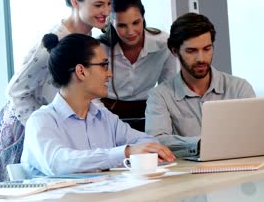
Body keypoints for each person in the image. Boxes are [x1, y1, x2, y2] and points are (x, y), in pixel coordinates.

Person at [0, 0, 112, 184]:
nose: (106, 12)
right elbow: (16, 91)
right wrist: (43, 129)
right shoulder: (54, 41)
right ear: (75, 2)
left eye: (108, 4)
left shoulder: (87, 39)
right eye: (98, 5)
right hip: (21, 129)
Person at [21, 34, 174, 176]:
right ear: (81, 71)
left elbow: (148, 142)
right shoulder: (41, 120)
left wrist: (136, 152)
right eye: (103, 65)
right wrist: (125, 153)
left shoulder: (104, 117)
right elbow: (58, 163)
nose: (110, 73)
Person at [145, 13, 264, 157]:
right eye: (191, 51)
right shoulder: (159, 96)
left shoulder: (239, 88)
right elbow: (156, 140)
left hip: (237, 173)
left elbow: (256, 133)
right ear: (175, 51)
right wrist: (200, 144)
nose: (201, 58)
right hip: (188, 177)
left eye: (207, 49)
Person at [98, 0, 177, 121]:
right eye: (122, 25)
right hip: (107, 112)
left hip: (148, 111)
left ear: (143, 17)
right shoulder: (99, 49)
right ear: (111, 22)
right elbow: (91, 95)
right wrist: (103, 120)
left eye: (136, 22)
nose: (131, 32)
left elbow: (167, 88)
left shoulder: (163, 44)